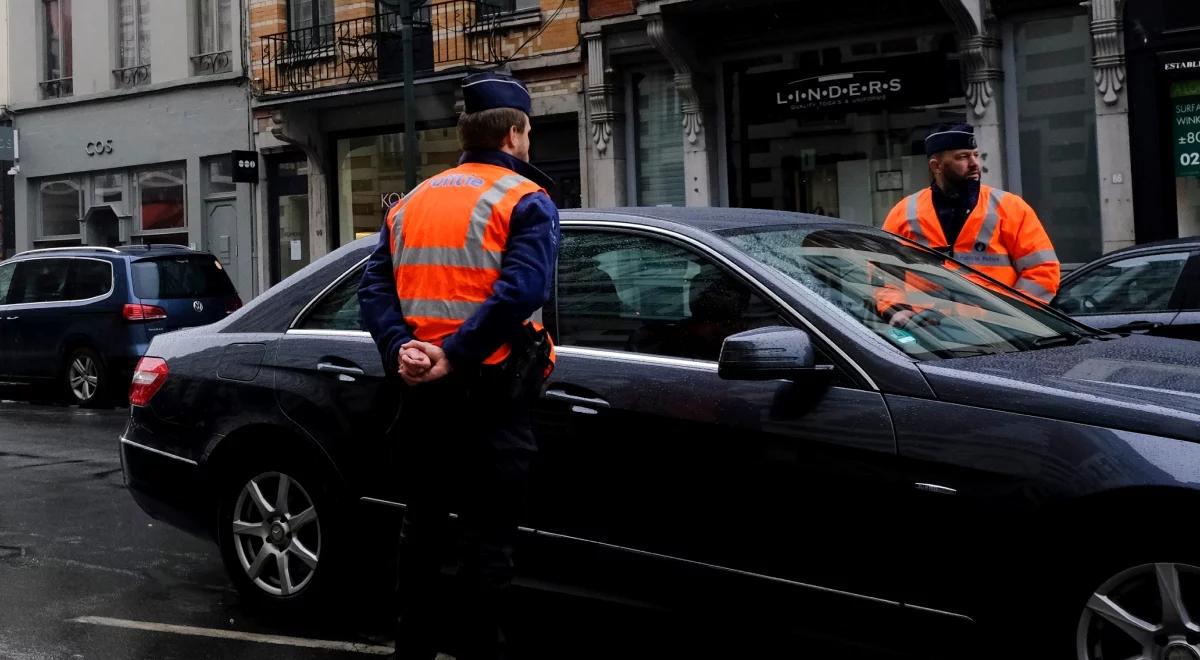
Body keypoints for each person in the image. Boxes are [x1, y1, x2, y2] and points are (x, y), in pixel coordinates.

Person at [358, 70, 559, 660]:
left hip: (422, 398)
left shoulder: (414, 201)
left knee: (420, 536)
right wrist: (457, 354)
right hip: (489, 398)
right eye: (528, 134)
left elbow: (375, 287)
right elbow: (522, 291)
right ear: (516, 134)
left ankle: (412, 650)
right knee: (486, 547)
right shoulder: (524, 199)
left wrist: (402, 349)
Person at [880, 122, 1060, 327]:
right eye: (962, 157)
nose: (974, 163)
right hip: (928, 334)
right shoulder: (904, 213)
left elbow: (1042, 270)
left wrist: (1013, 316)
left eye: (976, 155)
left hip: (999, 333)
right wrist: (897, 311)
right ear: (936, 166)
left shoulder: (1010, 208)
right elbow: (882, 273)